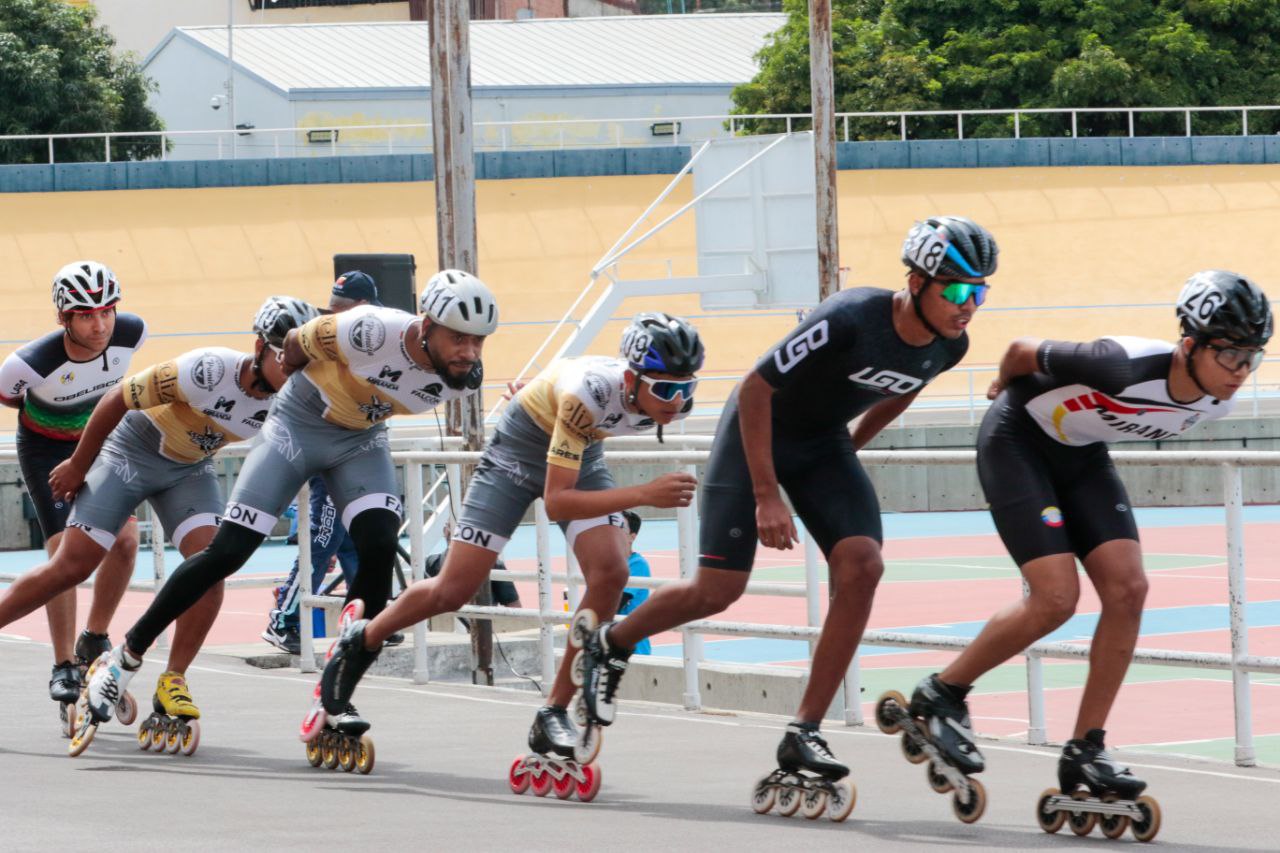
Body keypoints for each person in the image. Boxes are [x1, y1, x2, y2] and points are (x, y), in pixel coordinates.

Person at [577, 217, 998, 815]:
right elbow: (754, 389)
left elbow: (904, 389)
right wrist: (767, 494)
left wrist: (848, 450)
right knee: (717, 590)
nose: (968, 306)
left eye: (980, 292)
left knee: (863, 567)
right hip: (756, 432)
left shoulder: (950, 347)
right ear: (916, 281)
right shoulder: (850, 318)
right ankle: (613, 644)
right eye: (957, 290)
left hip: (821, 443)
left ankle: (805, 731)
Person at [79, 270, 499, 748]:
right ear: (427, 326)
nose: (468, 352)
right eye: (458, 338)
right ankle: (125, 656)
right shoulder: (368, 329)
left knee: (380, 546)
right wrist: (305, 395)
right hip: (296, 427)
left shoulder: (465, 378)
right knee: (228, 553)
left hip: (360, 441)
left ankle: (337, 693)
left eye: (478, 342)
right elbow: (296, 345)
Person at [906, 270, 1271, 809]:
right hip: (1018, 439)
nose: (1241, 372)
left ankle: (1085, 747)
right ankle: (942, 694)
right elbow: (1019, 351)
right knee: (1057, 599)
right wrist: (998, 387)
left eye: (1253, 358)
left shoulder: (1218, 401)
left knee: (1129, 591)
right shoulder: (1119, 363)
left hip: (1081, 453)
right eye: (1231, 356)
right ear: (1190, 344)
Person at [316, 312, 703, 767]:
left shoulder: (651, 397)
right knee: (453, 589)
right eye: (664, 390)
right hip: (514, 458)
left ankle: (553, 710)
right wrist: (644, 493)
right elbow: (558, 502)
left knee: (612, 571)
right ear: (631, 376)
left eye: (686, 389)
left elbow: (565, 399)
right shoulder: (591, 393)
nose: (676, 402)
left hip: (577, 450)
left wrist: (543, 394)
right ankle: (361, 640)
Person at [0, 296, 314, 751]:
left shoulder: (292, 400)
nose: (294, 370)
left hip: (189, 469)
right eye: (285, 357)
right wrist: (77, 466)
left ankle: (174, 678)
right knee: (72, 566)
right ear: (260, 347)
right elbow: (115, 399)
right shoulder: (207, 368)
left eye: (303, 362)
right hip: (132, 452)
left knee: (211, 566)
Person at [0, 261, 146, 709]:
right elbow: (11, 400)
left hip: (101, 442)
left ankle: (94, 638)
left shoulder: (132, 331)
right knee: (66, 552)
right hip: (46, 449)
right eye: (86, 314)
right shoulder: (27, 363)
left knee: (125, 541)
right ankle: (63, 662)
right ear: (65, 317)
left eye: (107, 311)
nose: (101, 324)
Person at [263, 272, 380, 655]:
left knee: (351, 543)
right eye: (334, 310)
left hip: (352, 454)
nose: (336, 317)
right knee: (322, 540)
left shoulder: (373, 339)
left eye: (343, 310)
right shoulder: (327, 337)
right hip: (328, 455)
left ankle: (368, 619)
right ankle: (284, 619)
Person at [616, 510, 651, 656]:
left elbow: (617, 603)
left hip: (633, 649)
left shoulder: (637, 564)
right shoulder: (606, 565)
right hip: (611, 644)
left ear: (632, 537)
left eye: (620, 528)